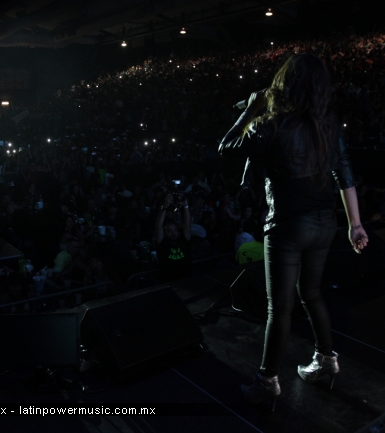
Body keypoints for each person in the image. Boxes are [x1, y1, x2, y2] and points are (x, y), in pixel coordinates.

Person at [218, 54, 368, 411]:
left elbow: (225, 148)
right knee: (312, 293)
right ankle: (326, 359)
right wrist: (356, 225)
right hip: (325, 223)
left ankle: (267, 381)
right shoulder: (328, 126)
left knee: (280, 307)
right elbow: (345, 176)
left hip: (288, 226)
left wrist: (251, 109)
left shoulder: (271, 125)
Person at [155, 193, 191, 282]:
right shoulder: (162, 243)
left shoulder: (183, 240)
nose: (173, 233)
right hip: (168, 281)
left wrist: (186, 206)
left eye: (175, 230)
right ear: (165, 233)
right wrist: (165, 206)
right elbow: (158, 225)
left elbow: (187, 225)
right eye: (169, 231)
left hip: (186, 279)